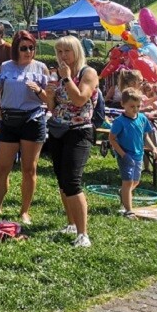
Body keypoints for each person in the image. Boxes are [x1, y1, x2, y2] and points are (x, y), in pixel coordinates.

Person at [43, 36, 100, 248]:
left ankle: (83, 233)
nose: (62, 56)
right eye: (59, 52)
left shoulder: (88, 73)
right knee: (62, 180)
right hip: (58, 130)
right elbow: (55, 108)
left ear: (76, 52)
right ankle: (71, 223)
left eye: (66, 51)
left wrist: (66, 79)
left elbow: (79, 100)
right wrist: (48, 95)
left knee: (73, 180)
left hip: (79, 132)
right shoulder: (59, 75)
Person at [0, 30, 49, 225]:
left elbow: (51, 100)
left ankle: (25, 211)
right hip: (10, 120)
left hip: (33, 119)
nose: (28, 52)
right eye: (24, 48)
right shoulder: (6, 67)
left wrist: (39, 90)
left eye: (31, 48)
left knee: (28, 169)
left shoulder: (41, 68)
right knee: (3, 167)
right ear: (16, 49)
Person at [109, 88, 157, 221]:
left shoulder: (142, 118)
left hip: (138, 155)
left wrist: (153, 148)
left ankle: (123, 194)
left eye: (138, 106)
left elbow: (146, 135)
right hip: (125, 155)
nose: (135, 109)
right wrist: (123, 154)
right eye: (132, 106)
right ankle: (129, 211)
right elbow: (112, 138)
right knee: (128, 182)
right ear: (123, 105)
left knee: (135, 181)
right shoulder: (120, 121)